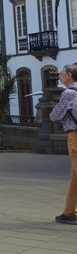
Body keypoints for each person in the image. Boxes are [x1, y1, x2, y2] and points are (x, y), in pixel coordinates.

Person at [50, 64, 77, 224]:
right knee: (75, 178)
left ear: (69, 75)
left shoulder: (68, 93)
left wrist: (62, 117)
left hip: (75, 136)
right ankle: (69, 213)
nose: (59, 76)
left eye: (61, 73)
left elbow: (54, 115)